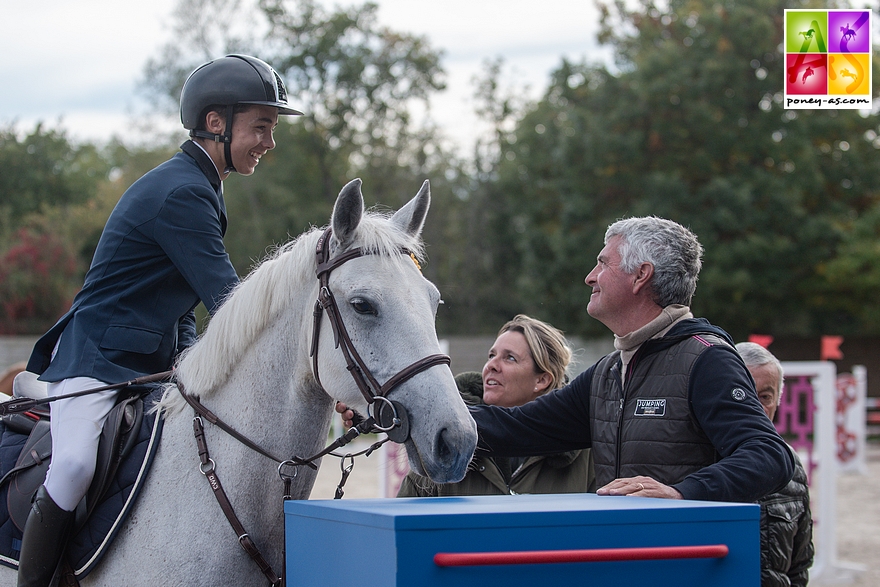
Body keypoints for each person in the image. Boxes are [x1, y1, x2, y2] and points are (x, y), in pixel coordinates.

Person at [18, 54, 302, 587]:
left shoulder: (201, 184)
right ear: (217, 122)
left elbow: (183, 305)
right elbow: (228, 302)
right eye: (262, 127)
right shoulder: (182, 192)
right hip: (98, 358)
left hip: (146, 362)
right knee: (75, 465)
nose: (269, 141)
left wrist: (187, 360)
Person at [467, 216, 794, 503]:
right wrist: (422, 409)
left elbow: (769, 456)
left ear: (641, 276)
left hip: (684, 564)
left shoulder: (707, 360)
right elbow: (516, 428)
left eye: (603, 263)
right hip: (628, 559)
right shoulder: (608, 373)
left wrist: (681, 492)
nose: (590, 277)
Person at [396, 315, 594, 497]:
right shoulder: (447, 441)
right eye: (491, 355)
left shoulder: (586, 453)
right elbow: (405, 521)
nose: (491, 365)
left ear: (542, 380)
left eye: (510, 358)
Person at [736, 342, 814, 587]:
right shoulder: (697, 457)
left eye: (765, 397)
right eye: (746, 394)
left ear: (778, 401)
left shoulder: (792, 465)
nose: (756, 407)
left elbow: (799, 566)